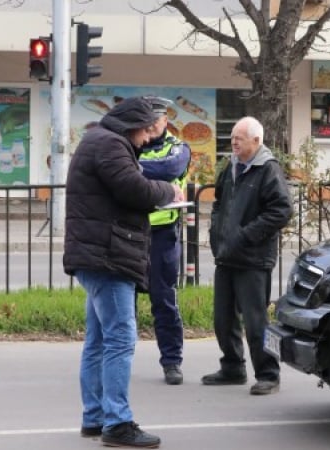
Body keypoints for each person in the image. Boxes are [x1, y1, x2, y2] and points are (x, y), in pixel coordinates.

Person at [63, 96, 183, 448]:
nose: (147, 139)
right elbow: (136, 189)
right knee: (119, 339)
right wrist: (168, 191)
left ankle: (94, 416)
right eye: (146, 132)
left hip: (98, 253)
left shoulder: (99, 140)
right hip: (107, 256)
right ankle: (117, 423)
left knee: (98, 340)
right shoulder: (111, 145)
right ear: (132, 126)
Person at [202, 116, 293, 396]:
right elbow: (218, 202)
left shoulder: (268, 169)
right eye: (232, 137)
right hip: (227, 255)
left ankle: (268, 373)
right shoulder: (231, 165)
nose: (234, 142)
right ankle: (232, 367)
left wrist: (245, 235)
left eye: (239, 138)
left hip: (253, 258)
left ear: (256, 140)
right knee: (223, 319)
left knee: (256, 322)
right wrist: (216, 232)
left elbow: (281, 211)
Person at [138, 96, 192, 385]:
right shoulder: (131, 144)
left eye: (154, 120)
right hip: (132, 233)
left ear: (165, 121)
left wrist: (137, 172)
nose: (149, 125)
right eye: (145, 120)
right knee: (123, 301)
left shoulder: (178, 148)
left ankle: (171, 361)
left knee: (164, 300)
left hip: (163, 236)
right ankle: (117, 359)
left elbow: (169, 169)